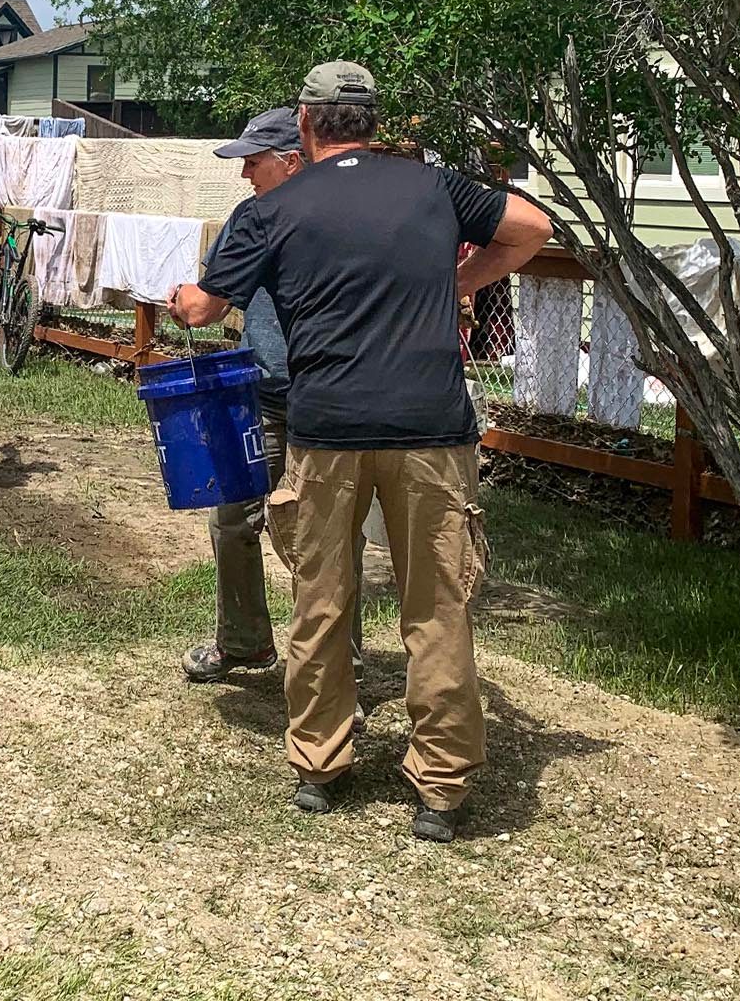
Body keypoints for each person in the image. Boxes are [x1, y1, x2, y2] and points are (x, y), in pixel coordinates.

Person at [170, 62, 551, 844]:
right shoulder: (435, 188)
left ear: (306, 125)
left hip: (328, 429)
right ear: (371, 121)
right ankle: (440, 789)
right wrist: (462, 280)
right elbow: (533, 229)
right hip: (432, 430)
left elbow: (205, 310)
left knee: (322, 599)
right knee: (437, 606)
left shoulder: (275, 207)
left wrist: (181, 300)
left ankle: (320, 764)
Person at [177, 109, 365, 698]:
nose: (244, 176)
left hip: (326, 401)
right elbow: (212, 295)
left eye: (252, 163)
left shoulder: (344, 218)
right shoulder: (248, 219)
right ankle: (243, 640)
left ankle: (341, 664)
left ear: (292, 160)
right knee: (232, 519)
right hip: (255, 394)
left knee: (329, 539)